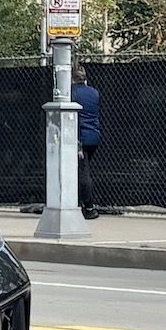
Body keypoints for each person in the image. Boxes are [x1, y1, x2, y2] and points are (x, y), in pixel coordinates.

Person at [72, 63, 101, 220]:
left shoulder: (70, 93)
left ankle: (89, 207)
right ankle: (84, 204)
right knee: (84, 168)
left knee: (83, 172)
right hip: (93, 135)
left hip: (79, 138)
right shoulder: (94, 93)